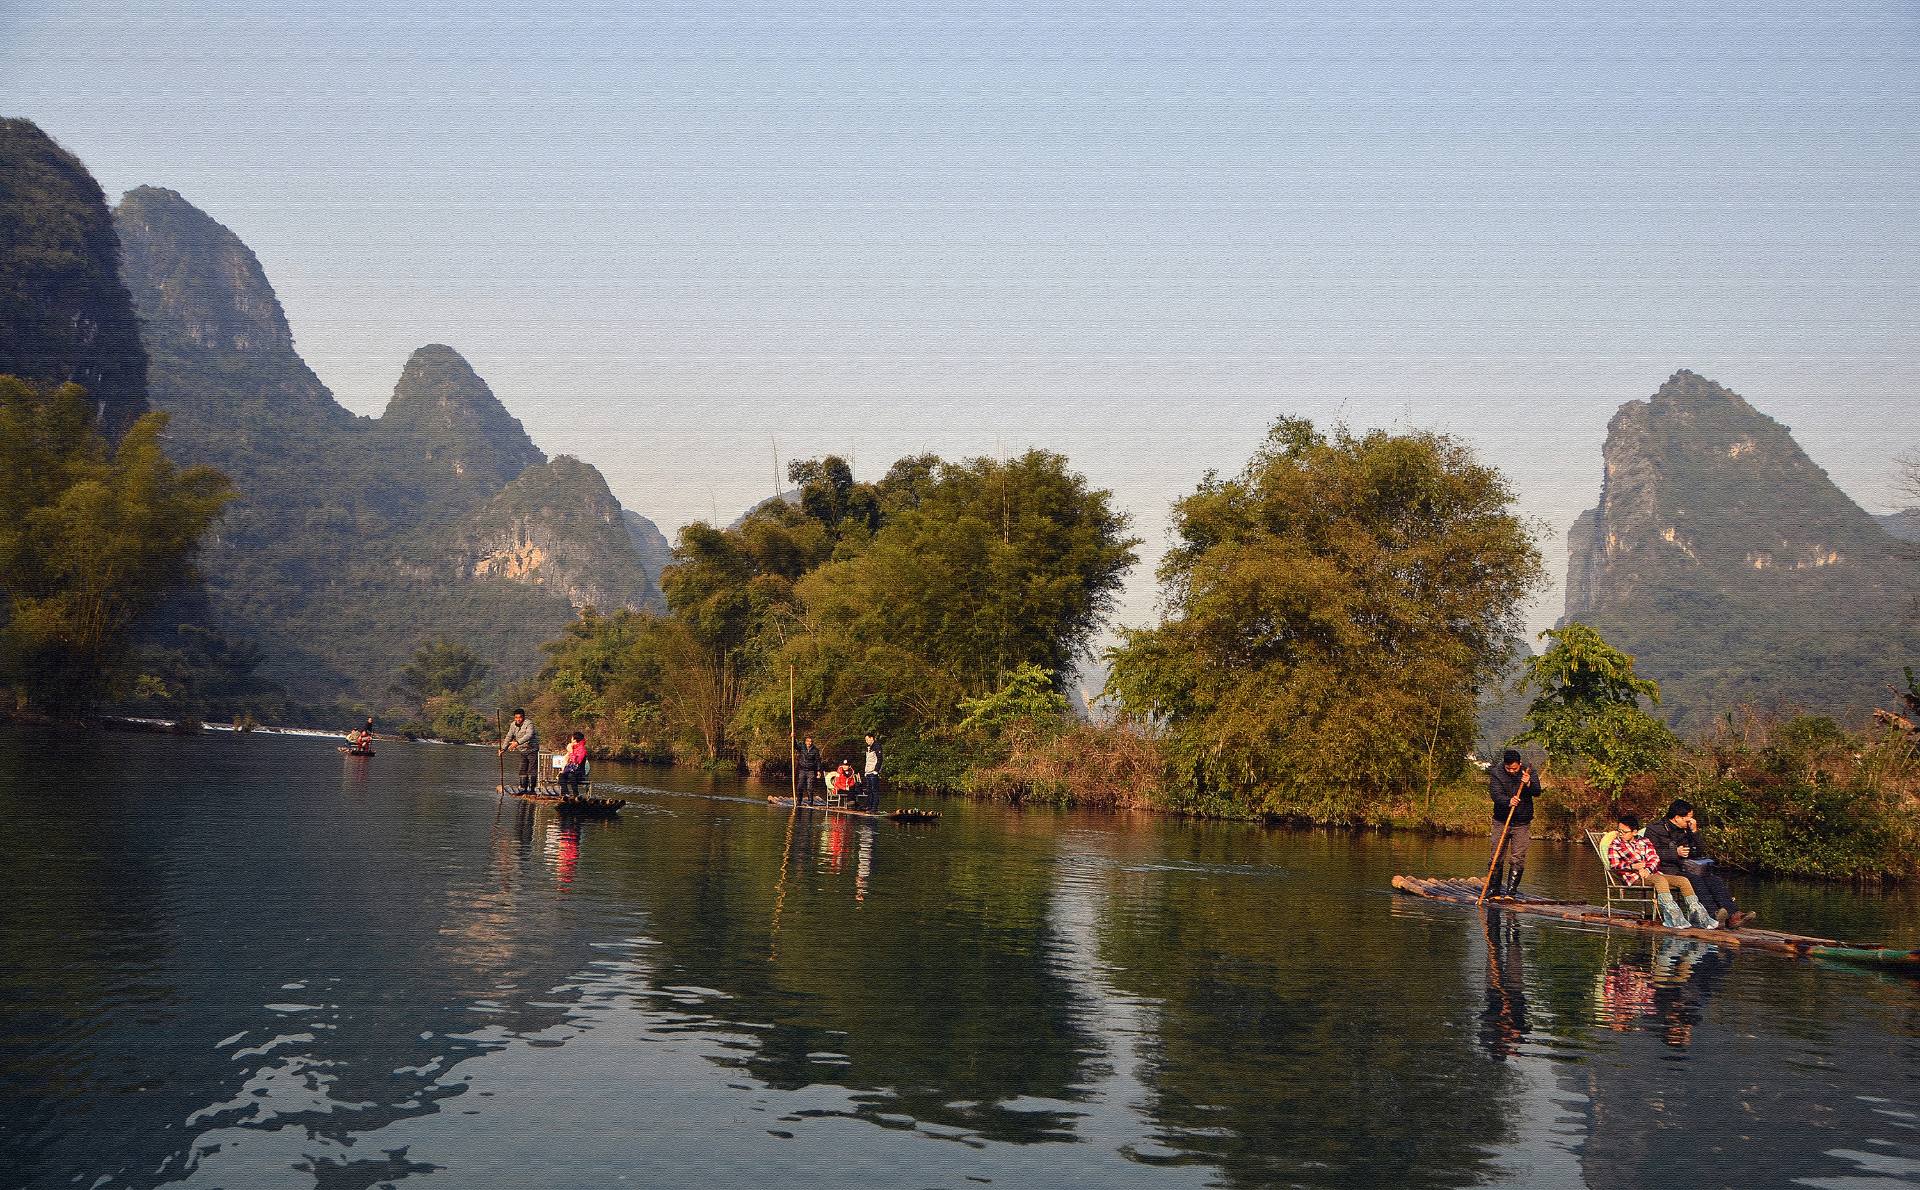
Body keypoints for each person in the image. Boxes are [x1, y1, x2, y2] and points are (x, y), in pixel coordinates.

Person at [1645, 799, 1755, 928]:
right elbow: (1649, 854)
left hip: (1688, 867)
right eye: (1687, 819)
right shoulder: (1654, 830)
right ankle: (1713, 915)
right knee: (1696, 880)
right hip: (1666, 869)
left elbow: (1700, 851)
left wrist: (1695, 832)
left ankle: (1733, 915)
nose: (1690, 822)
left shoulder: (1687, 829)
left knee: (1714, 880)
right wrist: (1675, 852)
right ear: (1677, 818)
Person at [1606, 811, 1720, 930]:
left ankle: (1697, 916)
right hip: (1633, 877)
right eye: (1619, 831)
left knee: (1683, 880)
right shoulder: (1615, 845)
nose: (1620, 834)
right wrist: (1632, 867)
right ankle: (1673, 916)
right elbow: (1615, 865)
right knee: (1660, 880)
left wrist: (1647, 869)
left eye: (1624, 832)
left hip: (1650, 873)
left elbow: (1654, 858)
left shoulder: (1644, 841)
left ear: (1634, 832)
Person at [1486, 750, 1538, 896]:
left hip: (1522, 821)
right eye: (1508, 768)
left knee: (1518, 857)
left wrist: (1528, 783)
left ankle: (1511, 892)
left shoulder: (1529, 771)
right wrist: (1508, 801)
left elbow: (1537, 791)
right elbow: (1495, 794)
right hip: (1501, 820)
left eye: (1514, 769)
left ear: (1519, 765)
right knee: (1496, 855)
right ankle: (1493, 890)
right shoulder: (1497, 772)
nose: (1511, 771)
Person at [499, 708, 539, 794]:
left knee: (532, 770)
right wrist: (503, 749)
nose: (518, 719)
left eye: (520, 717)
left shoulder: (529, 723)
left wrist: (517, 743)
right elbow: (509, 736)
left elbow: (529, 735)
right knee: (522, 769)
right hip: (522, 750)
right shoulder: (513, 725)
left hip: (532, 749)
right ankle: (523, 788)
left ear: (523, 717)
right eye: (516, 717)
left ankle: (532, 789)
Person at [795, 735, 824, 805]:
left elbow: (818, 761)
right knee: (800, 786)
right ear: (805, 742)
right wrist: (794, 737)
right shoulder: (802, 747)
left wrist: (818, 771)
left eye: (811, 741)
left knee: (810, 787)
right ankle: (799, 801)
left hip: (811, 771)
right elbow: (795, 746)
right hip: (802, 770)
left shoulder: (815, 750)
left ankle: (810, 801)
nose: (809, 743)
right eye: (808, 741)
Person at [559, 731, 589, 798]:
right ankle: (566, 794)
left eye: (572, 738)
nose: (571, 740)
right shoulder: (573, 748)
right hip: (572, 771)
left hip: (579, 773)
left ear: (575, 740)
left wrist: (571, 752)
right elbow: (568, 761)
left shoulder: (582, 749)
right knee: (561, 776)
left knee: (571, 775)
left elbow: (577, 762)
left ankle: (576, 794)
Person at [861, 732, 883, 811]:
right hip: (868, 771)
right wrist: (866, 771)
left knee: (874, 790)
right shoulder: (868, 747)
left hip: (874, 772)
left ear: (871, 738)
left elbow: (880, 759)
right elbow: (868, 760)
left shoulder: (877, 746)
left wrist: (876, 770)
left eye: (867, 739)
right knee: (869, 790)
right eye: (865, 740)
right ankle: (869, 806)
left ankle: (874, 807)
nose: (866, 741)